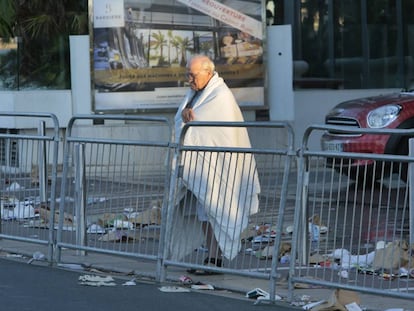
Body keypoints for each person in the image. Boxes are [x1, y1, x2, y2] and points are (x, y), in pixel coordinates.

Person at [171, 54, 260, 273]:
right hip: (201, 168)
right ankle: (212, 257)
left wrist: (191, 120)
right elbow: (182, 121)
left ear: (208, 73)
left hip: (219, 167)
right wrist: (185, 117)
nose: (189, 80)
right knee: (204, 212)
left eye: (193, 75)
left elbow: (213, 127)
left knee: (215, 210)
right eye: (187, 75)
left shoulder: (220, 96)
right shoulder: (195, 93)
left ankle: (214, 258)